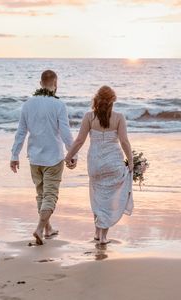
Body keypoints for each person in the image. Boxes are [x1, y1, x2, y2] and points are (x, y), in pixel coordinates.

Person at [10, 70, 77, 246]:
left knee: (41, 194)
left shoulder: (28, 104)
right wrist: (72, 154)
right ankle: (40, 228)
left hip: (35, 157)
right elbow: (65, 133)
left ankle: (48, 228)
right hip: (53, 157)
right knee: (50, 195)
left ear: (40, 84)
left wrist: (14, 154)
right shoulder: (59, 105)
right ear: (56, 84)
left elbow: (21, 132)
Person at [64, 85, 133, 245]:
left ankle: (97, 232)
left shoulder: (89, 117)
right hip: (113, 162)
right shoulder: (119, 117)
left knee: (97, 197)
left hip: (95, 162)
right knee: (108, 199)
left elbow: (80, 141)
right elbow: (124, 141)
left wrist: (68, 157)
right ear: (112, 101)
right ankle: (102, 236)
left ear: (96, 100)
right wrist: (131, 161)